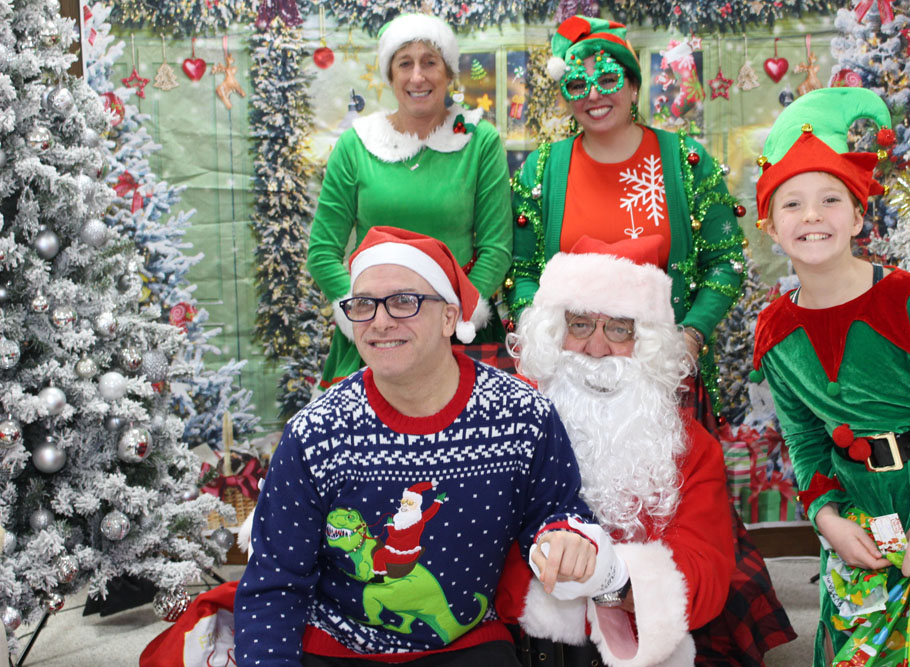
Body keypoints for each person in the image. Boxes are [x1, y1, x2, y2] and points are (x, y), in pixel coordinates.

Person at [235, 227, 625, 665]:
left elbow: (559, 511)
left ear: (449, 318)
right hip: (335, 648)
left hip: (469, 646)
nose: (380, 321)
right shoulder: (317, 432)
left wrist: (569, 537)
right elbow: (273, 585)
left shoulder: (522, 416)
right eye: (363, 304)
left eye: (404, 301)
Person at [749, 87, 910, 664]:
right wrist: (828, 520)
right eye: (792, 204)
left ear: (859, 214)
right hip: (857, 515)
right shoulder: (775, 332)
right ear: (770, 226)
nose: (812, 216)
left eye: (830, 199)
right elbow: (804, 442)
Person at [506, 235, 796, 666]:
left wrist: (610, 579)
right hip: (532, 643)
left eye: (619, 328)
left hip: (646, 641)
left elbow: (703, 571)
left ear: (648, 343)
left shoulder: (690, 445)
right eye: (580, 325)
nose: (597, 349)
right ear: (553, 333)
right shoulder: (512, 422)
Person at [507, 15, 745, 421]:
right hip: (568, 382)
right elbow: (523, 271)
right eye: (577, 84)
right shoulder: (541, 170)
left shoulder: (686, 163)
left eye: (608, 79)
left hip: (663, 380)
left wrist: (690, 335)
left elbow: (726, 261)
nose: (593, 94)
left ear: (634, 86)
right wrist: (541, 335)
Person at [308, 13, 512, 387]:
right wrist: (364, 314)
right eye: (405, 63)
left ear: (449, 73)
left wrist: (456, 317)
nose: (417, 77)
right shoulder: (356, 145)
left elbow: (496, 250)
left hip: (458, 332)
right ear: (390, 75)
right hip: (376, 334)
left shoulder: (479, 142)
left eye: (429, 62)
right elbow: (322, 252)